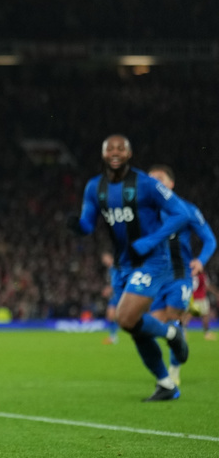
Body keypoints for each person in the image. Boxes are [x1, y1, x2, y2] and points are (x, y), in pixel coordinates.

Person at [67, 134, 192, 401]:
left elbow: (182, 213)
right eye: (109, 148)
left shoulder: (146, 184)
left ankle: (172, 333)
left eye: (120, 148)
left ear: (129, 154)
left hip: (153, 260)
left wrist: (151, 240)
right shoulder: (94, 188)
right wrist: (78, 226)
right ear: (103, 154)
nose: (115, 152)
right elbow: (89, 224)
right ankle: (166, 384)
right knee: (133, 327)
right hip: (123, 263)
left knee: (125, 318)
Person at [145, 164, 217, 386]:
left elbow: (210, 239)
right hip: (154, 278)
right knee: (147, 328)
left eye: (159, 178)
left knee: (174, 318)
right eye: (150, 180)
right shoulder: (145, 214)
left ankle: (172, 371)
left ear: (171, 184)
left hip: (180, 275)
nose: (154, 183)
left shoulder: (187, 210)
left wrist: (201, 260)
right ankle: (176, 341)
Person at [99, 251, 125, 345]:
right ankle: (113, 337)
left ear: (110, 257)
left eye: (105, 259)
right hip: (115, 294)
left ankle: (113, 337)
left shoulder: (117, 267)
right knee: (110, 315)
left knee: (115, 315)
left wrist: (109, 289)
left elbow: (119, 281)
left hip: (120, 294)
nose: (104, 261)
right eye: (103, 260)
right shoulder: (110, 269)